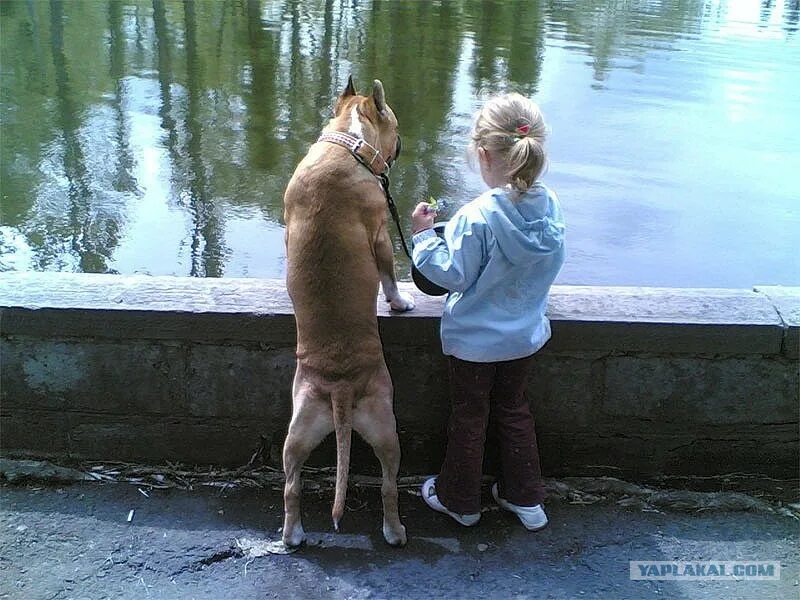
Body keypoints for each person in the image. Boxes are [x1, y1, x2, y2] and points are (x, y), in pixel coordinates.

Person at [410, 92, 565, 530]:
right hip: (524, 337)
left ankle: (460, 500)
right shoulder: (549, 206)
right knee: (514, 410)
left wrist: (424, 237)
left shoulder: (477, 216)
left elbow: (451, 275)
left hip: (476, 344)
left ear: (483, 154)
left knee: (470, 415)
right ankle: (526, 499)